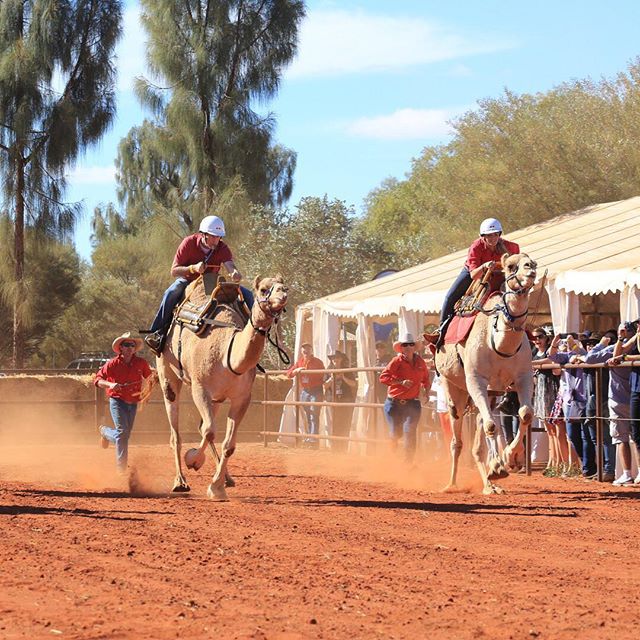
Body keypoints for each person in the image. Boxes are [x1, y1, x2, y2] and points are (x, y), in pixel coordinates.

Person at [144, 215, 252, 355]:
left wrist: (234, 272)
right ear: (203, 234)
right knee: (172, 292)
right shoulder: (188, 243)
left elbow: (230, 265)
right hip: (188, 280)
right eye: (213, 236)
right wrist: (192, 268)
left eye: (219, 237)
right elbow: (174, 271)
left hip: (211, 282)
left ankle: (253, 334)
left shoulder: (222, 247)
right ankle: (158, 332)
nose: (216, 240)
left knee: (247, 294)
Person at [425, 218, 520, 347]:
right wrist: (484, 266)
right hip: (475, 272)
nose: (492, 238)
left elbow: (516, 267)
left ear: (499, 234)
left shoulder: (512, 247)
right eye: (488, 235)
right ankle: (441, 330)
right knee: (451, 295)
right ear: (482, 237)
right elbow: (473, 274)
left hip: (499, 274)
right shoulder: (476, 247)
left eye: (495, 234)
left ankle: (522, 324)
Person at [95, 332, 153, 472]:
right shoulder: (112, 364)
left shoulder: (141, 363)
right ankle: (121, 468)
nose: (130, 348)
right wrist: (110, 385)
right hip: (117, 400)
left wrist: (152, 384)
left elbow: (151, 377)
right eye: (126, 345)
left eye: (132, 345)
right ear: (120, 348)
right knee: (122, 433)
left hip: (133, 402)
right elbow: (97, 380)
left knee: (125, 435)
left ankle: (105, 432)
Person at [379, 332, 431, 462]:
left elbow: (425, 378)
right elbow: (383, 378)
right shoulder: (396, 361)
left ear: (414, 347)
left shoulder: (420, 362)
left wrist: (427, 390)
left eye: (411, 344)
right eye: (405, 345)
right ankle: (391, 458)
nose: (408, 347)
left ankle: (408, 462)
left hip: (412, 403)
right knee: (395, 434)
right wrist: (400, 382)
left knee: (410, 430)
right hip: (394, 404)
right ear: (401, 347)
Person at [609, 321, 640, 485]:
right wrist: (622, 338)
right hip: (634, 389)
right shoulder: (635, 339)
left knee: (636, 432)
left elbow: (622, 356)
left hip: (631, 391)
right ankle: (630, 474)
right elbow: (617, 354)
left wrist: (626, 357)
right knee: (635, 432)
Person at [531, 328, 562, 471]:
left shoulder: (549, 351)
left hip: (551, 388)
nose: (537, 340)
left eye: (540, 337)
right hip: (540, 390)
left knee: (554, 428)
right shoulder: (533, 352)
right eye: (535, 337)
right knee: (548, 430)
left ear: (546, 338)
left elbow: (551, 359)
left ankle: (557, 461)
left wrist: (531, 363)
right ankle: (552, 460)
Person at [287, 343, 325, 448]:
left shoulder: (318, 362)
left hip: (316, 390)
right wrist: (296, 370)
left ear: (311, 351)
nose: (306, 352)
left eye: (307, 350)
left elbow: (322, 374)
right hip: (305, 391)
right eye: (304, 351)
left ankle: (313, 440)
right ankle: (310, 437)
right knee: (308, 415)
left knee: (313, 414)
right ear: (301, 352)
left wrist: (307, 372)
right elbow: (288, 374)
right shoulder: (300, 362)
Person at [323, 350, 357, 453]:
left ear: (341, 359)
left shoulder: (347, 370)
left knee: (345, 423)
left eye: (337, 358)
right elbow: (324, 385)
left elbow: (353, 384)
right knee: (333, 424)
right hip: (332, 400)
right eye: (333, 358)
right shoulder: (328, 370)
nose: (335, 360)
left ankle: (344, 446)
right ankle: (334, 446)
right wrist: (332, 379)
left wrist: (343, 377)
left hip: (346, 399)